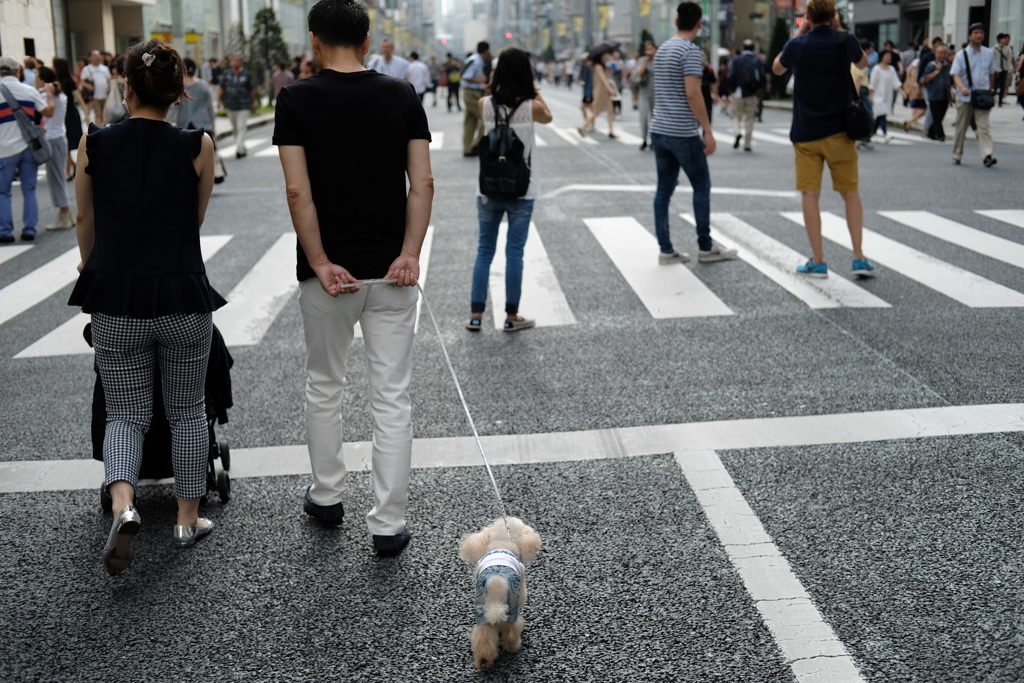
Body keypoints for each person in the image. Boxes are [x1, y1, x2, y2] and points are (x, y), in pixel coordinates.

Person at [273, 0, 432, 558]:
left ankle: (328, 495)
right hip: (391, 272)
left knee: (326, 386)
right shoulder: (401, 95)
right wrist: (409, 253)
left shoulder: (295, 98)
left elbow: (298, 191)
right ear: (367, 42)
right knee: (392, 398)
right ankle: (388, 524)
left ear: (315, 42)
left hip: (328, 274)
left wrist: (318, 261)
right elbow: (423, 184)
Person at [69, 40, 220, 576]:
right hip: (181, 293)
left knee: (125, 411)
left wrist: (95, 271)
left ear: (125, 87)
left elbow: (84, 220)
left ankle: (124, 503)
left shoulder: (94, 143)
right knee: (187, 409)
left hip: (117, 297)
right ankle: (186, 517)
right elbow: (194, 219)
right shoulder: (198, 145)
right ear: (178, 92)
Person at [772, 0, 875, 279]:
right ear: (833, 16)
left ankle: (818, 260)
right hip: (841, 131)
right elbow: (864, 63)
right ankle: (858, 257)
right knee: (850, 194)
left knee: (810, 195)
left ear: (807, 17)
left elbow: (777, 68)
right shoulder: (845, 40)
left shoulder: (798, 44)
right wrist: (840, 29)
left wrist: (801, 32)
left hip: (806, 133)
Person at [467, 47, 552, 334]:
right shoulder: (532, 107)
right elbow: (548, 116)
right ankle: (511, 315)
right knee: (514, 253)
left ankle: (476, 314)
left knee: (484, 251)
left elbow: (491, 97)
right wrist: (533, 88)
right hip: (521, 189)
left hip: (489, 189)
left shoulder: (485, 104)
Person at [650, 2, 737, 266]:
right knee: (701, 186)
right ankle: (705, 247)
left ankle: (666, 249)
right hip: (682, 132)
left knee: (663, 190)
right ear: (699, 24)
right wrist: (707, 131)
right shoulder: (690, 51)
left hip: (659, 128)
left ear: (676, 22)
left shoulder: (663, 49)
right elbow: (692, 92)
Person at [0, 56, 55, 243]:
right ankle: (29, 230)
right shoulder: (29, 91)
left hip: (5, 150)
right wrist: (49, 96)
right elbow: (48, 112)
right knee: (29, 190)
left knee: (3, 192)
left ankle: (5, 231)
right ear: (18, 71)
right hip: (29, 147)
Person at [950, 23, 996, 167]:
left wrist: (991, 90)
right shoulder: (961, 54)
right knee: (961, 126)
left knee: (983, 126)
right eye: (976, 32)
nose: (979, 35)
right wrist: (961, 87)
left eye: (981, 33)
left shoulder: (988, 53)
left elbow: (991, 74)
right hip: (965, 96)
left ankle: (987, 154)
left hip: (982, 95)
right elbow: (955, 74)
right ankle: (957, 154)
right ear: (970, 36)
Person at [173, 58, 225, 184]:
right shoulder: (203, 85)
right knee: (204, 156)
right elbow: (209, 107)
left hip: (184, 125)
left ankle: (191, 180)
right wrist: (212, 125)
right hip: (203, 124)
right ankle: (204, 180)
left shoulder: (178, 87)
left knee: (187, 158)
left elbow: (173, 107)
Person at [36, 67, 75, 230]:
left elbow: (47, 111)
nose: (35, 79)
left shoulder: (48, 95)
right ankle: (65, 214)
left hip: (53, 139)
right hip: (59, 137)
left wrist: (45, 92)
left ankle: (64, 214)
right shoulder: (60, 94)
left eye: (37, 77)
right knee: (57, 177)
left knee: (56, 179)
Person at [723, 39, 763, 152]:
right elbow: (761, 77)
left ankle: (737, 132)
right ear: (753, 48)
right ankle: (747, 144)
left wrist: (730, 89)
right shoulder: (756, 60)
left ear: (743, 48)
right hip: (752, 93)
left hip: (738, 92)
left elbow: (731, 76)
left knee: (734, 115)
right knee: (750, 118)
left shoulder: (736, 60)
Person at [217, 54, 258, 158]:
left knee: (241, 127)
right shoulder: (226, 74)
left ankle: (239, 149)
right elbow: (221, 88)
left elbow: (252, 90)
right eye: (233, 61)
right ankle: (241, 146)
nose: (235, 63)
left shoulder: (247, 74)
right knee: (235, 129)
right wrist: (218, 100)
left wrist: (253, 103)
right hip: (230, 105)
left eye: (237, 61)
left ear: (241, 62)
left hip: (244, 105)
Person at [53, 57, 85, 182]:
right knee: (70, 142)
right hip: (69, 112)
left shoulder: (60, 82)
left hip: (66, 114)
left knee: (68, 142)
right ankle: (74, 168)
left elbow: (78, 96)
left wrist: (86, 111)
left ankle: (68, 171)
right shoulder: (66, 81)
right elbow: (78, 97)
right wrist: (85, 111)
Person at [462, 41, 491, 156]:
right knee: (485, 118)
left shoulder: (474, 59)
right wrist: (480, 80)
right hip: (472, 94)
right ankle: (476, 144)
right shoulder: (476, 61)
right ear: (486, 50)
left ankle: (468, 148)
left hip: (472, 92)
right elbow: (466, 76)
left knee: (470, 121)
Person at [578, 51, 618, 137]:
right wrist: (610, 90)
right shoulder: (598, 66)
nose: (607, 57)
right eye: (605, 55)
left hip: (604, 92)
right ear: (601, 57)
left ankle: (611, 131)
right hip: (600, 92)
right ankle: (583, 127)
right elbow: (603, 80)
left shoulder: (604, 66)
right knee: (596, 112)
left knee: (610, 111)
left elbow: (608, 78)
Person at [921, 44, 951, 141]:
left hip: (945, 95)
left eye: (944, 53)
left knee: (941, 115)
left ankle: (930, 132)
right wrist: (936, 72)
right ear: (935, 54)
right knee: (936, 116)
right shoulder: (931, 65)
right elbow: (925, 78)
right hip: (934, 94)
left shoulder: (948, 66)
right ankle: (940, 135)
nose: (942, 55)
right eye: (939, 53)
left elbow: (951, 80)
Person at [869, 49, 900, 142]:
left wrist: (902, 92)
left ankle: (871, 133)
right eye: (886, 56)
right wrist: (871, 96)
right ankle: (885, 133)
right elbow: (872, 84)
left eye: (889, 56)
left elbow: (896, 82)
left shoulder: (892, 69)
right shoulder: (876, 69)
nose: (888, 58)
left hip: (887, 96)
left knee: (879, 116)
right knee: (881, 115)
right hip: (877, 96)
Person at [634, 40, 656, 151]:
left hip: (657, 94)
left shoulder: (659, 60)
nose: (649, 51)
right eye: (647, 48)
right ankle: (644, 139)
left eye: (651, 48)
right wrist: (646, 60)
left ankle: (653, 140)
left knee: (655, 118)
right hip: (644, 93)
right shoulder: (642, 60)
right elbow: (638, 73)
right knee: (643, 117)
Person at [852, 40, 874, 150]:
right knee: (867, 114)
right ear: (866, 49)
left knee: (859, 114)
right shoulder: (862, 61)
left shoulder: (853, 61)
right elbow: (858, 80)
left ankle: (861, 138)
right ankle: (863, 138)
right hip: (861, 90)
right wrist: (856, 95)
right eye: (870, 48)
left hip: (856, 90)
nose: (872, 50)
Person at [80, 50, 111, 126]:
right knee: (98, 114)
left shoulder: (105, 68)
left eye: (98, 55)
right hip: (95, 96)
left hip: (105, 95)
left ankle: (102, 128)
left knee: (104, 115)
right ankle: (99, 130)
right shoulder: (87, 69)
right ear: (90, 58)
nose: (97, 57)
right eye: (94, 55)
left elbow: (109, 79)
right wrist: (88, 86)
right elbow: (82, 81)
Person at [901, 56, 927, 132]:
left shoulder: (917, 61)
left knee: (916, 106)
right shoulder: (918, 62)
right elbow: (909, 71)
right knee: (923, 109)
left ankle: (912, 121)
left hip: (914, 87)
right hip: (917, 87)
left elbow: (908, 71)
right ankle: (911, 121)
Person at [993, 33, 1014, 107]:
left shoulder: (1007, 48)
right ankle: (993, 99)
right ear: (1000, 40)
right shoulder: (994, 48)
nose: (1005, 40)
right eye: (1004, 39)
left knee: (1002, 86)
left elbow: (1009, 59)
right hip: (996, 70)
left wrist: (1009, 69)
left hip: (1004, 69)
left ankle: (1000, 102)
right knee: (995, 86)